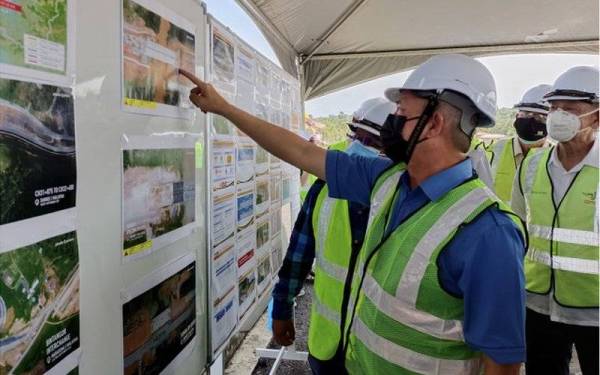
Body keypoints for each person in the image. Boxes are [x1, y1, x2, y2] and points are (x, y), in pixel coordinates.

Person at [180, 54, 526, 375]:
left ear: (434, 123)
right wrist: (224, 108)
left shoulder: (488, 232)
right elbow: (300, 151)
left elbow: (503, 362)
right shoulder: (386, 181)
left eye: (402, 113)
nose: (392, 122)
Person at [271, 98, 394, 374]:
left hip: (377, 351)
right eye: (356, 134)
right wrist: (282, 305)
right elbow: (299, 251)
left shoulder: (403, 192)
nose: (359, 145)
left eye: (372, 141)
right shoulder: (327, 179)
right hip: (328, 345)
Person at [511, 66, 599, 375]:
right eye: (554, 108)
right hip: (538, 306)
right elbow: (517, 229)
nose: (558, 116)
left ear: (597, 117)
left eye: (571, 110)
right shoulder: (532, 165)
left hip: (595, 311)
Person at [486, 84, 552, 203]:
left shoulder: (557, 158)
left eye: (540, 117)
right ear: (517, 116)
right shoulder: (495, 150)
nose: (531, 120)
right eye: (526, 114)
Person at [300, 134, 321, 202]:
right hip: (304, 199)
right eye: (316, 142)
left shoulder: (317, 159)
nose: (317, 146)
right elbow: (302, 183)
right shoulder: (303, 160)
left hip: (314, 197)